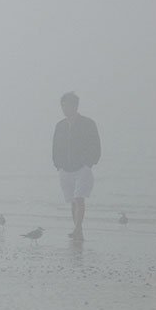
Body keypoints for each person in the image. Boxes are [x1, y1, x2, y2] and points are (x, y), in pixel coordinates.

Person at [52, 92, 101, 241]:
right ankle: (77, 230)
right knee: (73, 201)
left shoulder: (88, 123)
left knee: (80, 199)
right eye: (63, 105)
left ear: (76, 106)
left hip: (82, 168)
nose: (66, 108)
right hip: (65, 169)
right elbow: (55, 147)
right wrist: (58, 164)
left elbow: (96, 145)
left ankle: (77, 229)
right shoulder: (60, 125)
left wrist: (89, 163)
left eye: (69, 105)